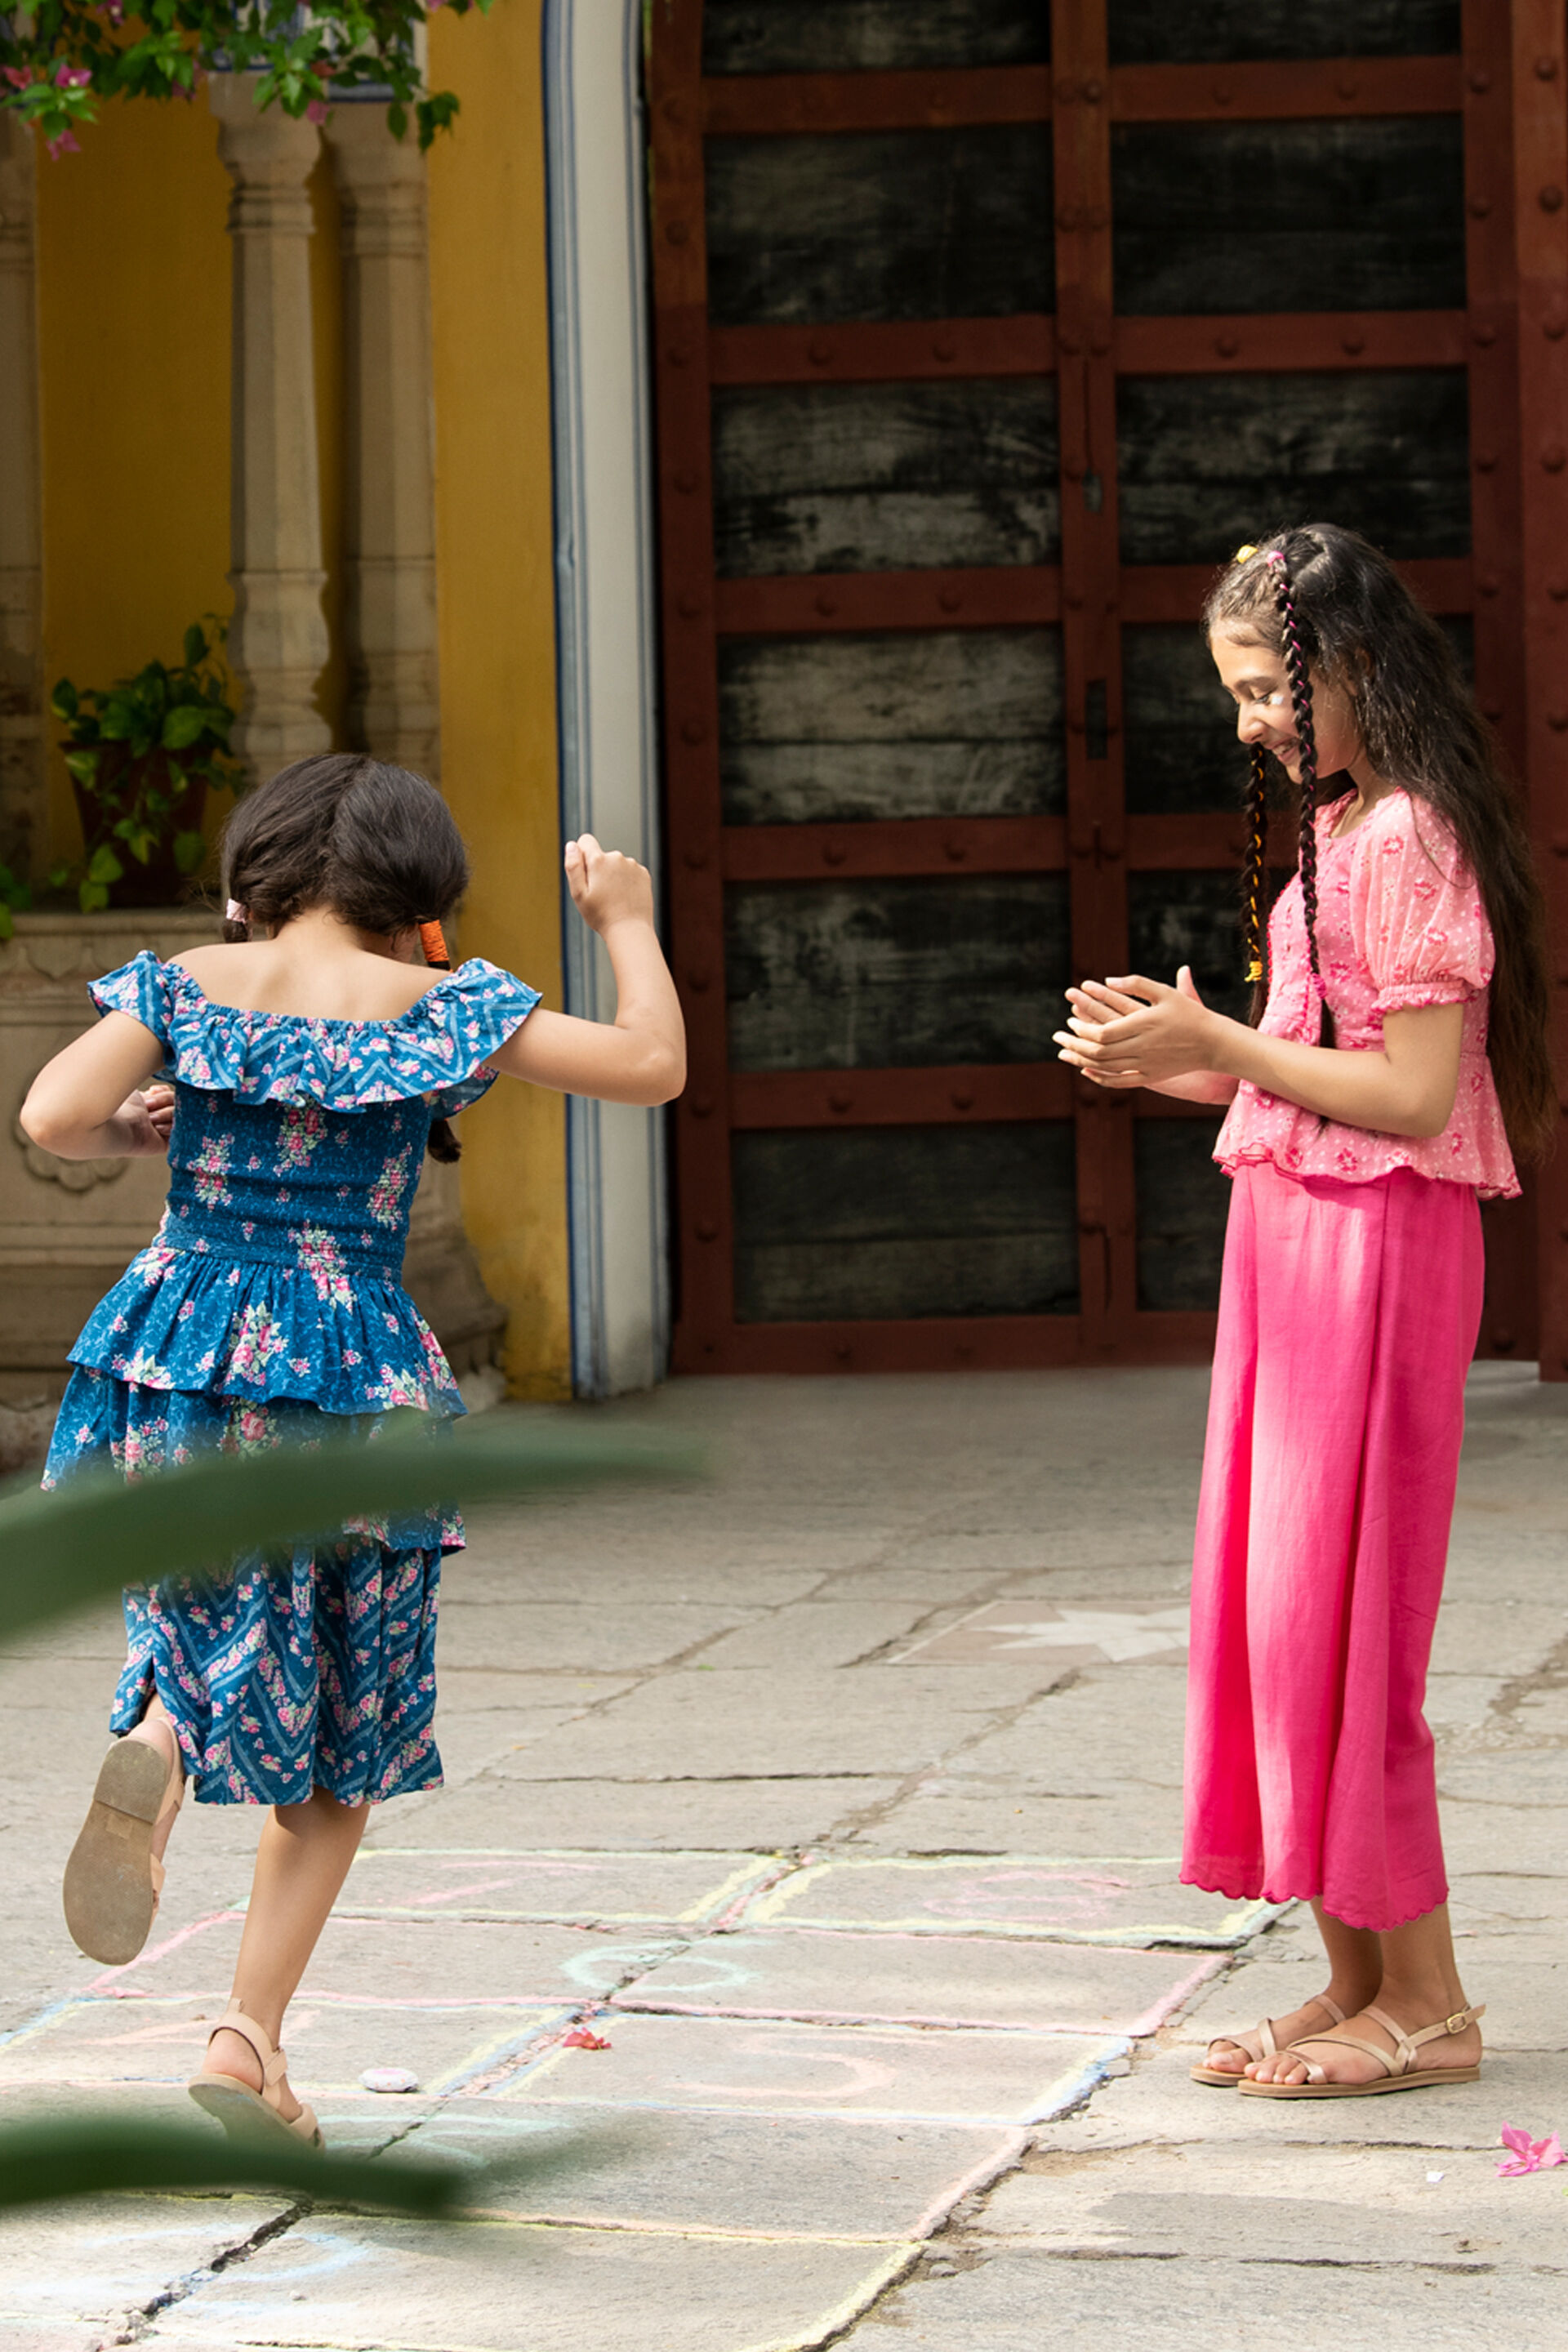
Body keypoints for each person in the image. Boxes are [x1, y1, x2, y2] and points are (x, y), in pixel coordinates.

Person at [22, 754, 684, 2147]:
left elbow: (50, 1119)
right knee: (340, 1732)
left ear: (262, 872)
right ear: (412, 888)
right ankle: (244, 2034)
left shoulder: (186, 984)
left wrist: (157, 1130)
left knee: (190, 1598)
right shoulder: (444, 1006)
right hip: (349, 1373)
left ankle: (159, 1728)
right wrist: (622, 914)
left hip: (178, 1339)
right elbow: (650, 1067)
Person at [1055, 524, 1552, 2099]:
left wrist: (1229, 1046)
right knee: (1284, 1631)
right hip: (1293, 1237)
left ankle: (1432, 2003)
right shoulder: (1340, 834)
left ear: (1353, 670)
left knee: (1347, 1631)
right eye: (1240, 693)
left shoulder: (1407, 835)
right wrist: (1175, 1052)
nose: (1254, 720)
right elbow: (1307, 1067)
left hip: (1378, 1250)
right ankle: (1352, 1988)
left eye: (1271, 687)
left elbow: (1409, 1097)